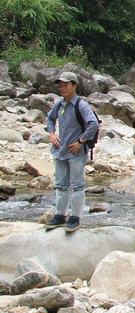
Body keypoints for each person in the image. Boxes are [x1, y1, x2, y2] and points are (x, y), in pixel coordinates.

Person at [46, 72, 99, 231]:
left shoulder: (81, 105)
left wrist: (81, 141)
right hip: (60, 151)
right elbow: (50, 118)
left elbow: (93, 124)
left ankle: (75, 218)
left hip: (76, 152)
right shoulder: (59, 104)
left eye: (66, 85)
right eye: (60, 85)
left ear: (74, 85)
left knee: (77, 185)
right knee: (61, 185)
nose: (62, 88)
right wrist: (52, 134)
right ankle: (60, 215)